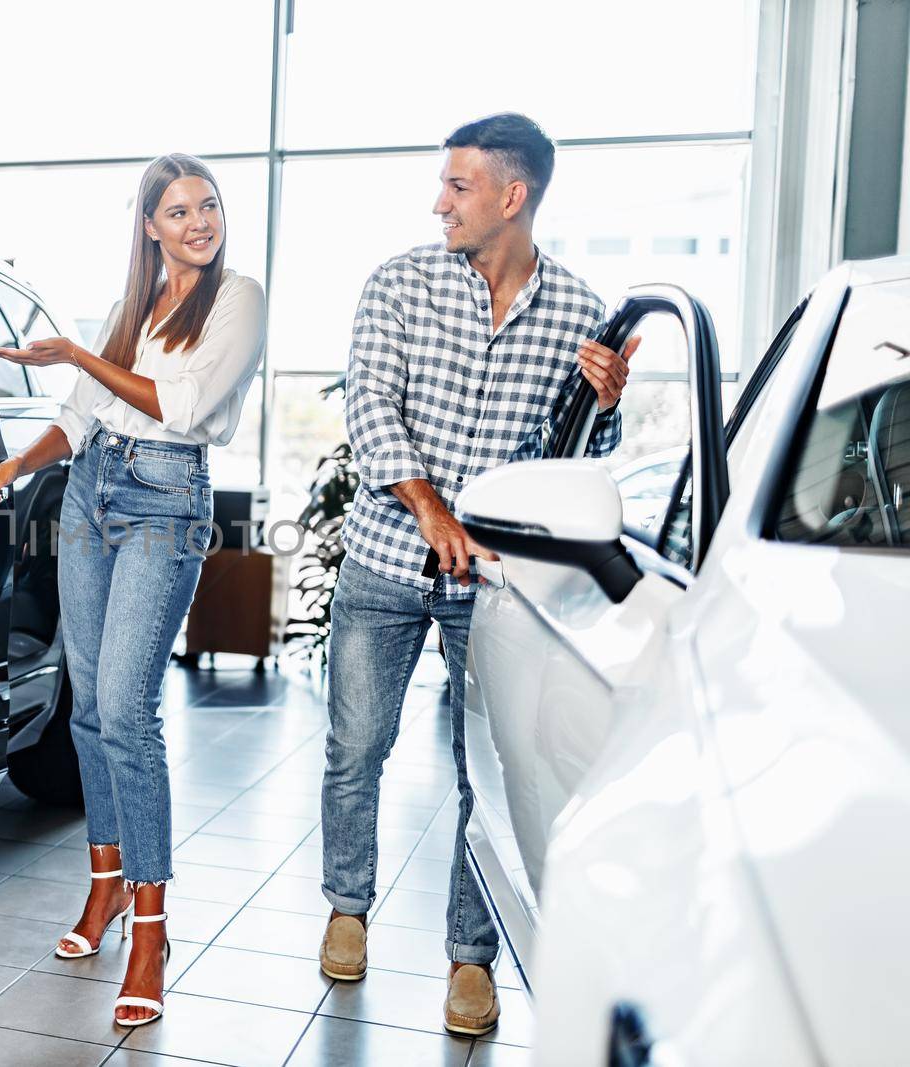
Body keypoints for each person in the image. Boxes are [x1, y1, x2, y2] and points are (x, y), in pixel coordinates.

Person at [317, 113, 637, 1036]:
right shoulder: (399, 283)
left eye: (458, 186)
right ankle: (347, 904)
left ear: (512, 195)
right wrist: (431, 509)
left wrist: (606, 402)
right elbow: (372, 407)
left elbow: (572, 451)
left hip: (493, 587)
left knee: (481, 772)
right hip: (385, 560)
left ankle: (471, 958)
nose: (439, 201)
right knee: (355, 747)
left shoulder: (580, 310)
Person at [0, 153, 266, 1027]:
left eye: (207, 206)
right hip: (90, 493)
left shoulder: (237, 299)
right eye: (178, 211)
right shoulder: (130, 307)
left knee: (129, 709)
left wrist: (75, 353)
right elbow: (78, 415)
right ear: (149, 226)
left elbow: (179, 407)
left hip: (166, 499)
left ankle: (151, 926)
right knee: (89, 707)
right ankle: (102, 890)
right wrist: (20, 462)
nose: (199, 222)